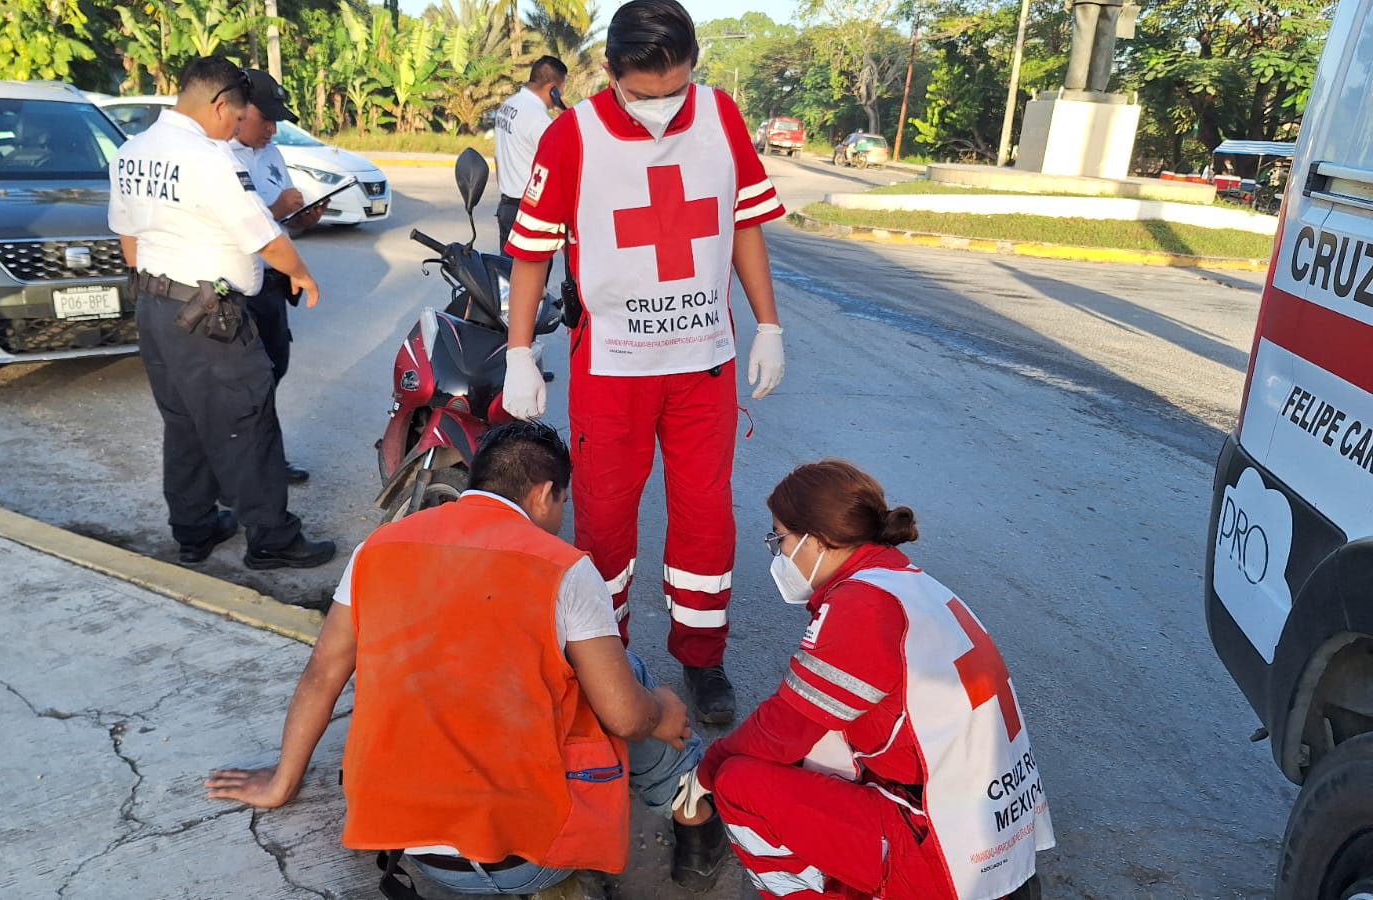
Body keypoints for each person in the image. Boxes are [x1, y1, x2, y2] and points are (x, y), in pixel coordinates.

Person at [205, 422, 730, 897]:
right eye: (562, 503)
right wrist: (660, 711)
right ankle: (694, 819)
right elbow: (624, 717)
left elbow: (322, 675)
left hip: (413, 850)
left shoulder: (378, 547)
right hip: (525, 858)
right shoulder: (564, 568)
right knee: (622, 677)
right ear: (546, 493)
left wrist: (280, 781)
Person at [500, 0, 788, 725]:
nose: (661, 108)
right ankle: (608, 660)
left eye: (676, 89)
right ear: (609, 72)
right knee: (604, 525)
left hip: (703, 366)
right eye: (643, 94)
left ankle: (702, 655)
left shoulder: (721, 119)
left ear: (695, 66)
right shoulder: (574, 135)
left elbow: (744, 225)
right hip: (613, 368)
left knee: (705, 520)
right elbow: (532, 251)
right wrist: (519, 352)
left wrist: (769, 325)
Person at [688, 460, 1053, 899]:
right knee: (826, 741)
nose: (779, 554)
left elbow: (783, 729)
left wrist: (706, 772)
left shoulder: (863, 606)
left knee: (739, 782)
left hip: (938, 844)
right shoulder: (908, 584)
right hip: (993, 829)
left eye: (779, 539)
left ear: (816, 538)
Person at [108, 56, 336, 571]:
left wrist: (155, 285)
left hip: (155, 307)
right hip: (210, 315)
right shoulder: (209, 158)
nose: (235, 129)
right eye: (234, 119)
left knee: (184, 423)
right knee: (247, 422)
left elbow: (127, 235)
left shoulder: (131, 151)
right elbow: (262, 235)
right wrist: (301, 273)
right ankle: (271, 539)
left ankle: (194, 529)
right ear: (217, 105)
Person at [230, 68, 323, 484]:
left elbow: (286, 219)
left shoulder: (269, 152)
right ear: (235, 108)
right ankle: (248, 465)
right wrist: (281, 210)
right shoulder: (218, 157)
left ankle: (264, 456)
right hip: (234, 288)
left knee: (272, 371)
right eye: (264, 117)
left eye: (276, 119)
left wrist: (303, 218)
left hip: (271, 285)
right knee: (244, 384)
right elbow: (234, 227)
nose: (272, 127)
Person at [494, 56, 568, 251]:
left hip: (506, 207)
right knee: (531, 280)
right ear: (552, 87)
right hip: (528, 213)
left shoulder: (508, 106)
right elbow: (562, 165)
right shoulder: (539, 120)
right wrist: (566, 122)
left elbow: (497, 159)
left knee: (508, 277)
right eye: (562, 88)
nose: (562, 93)